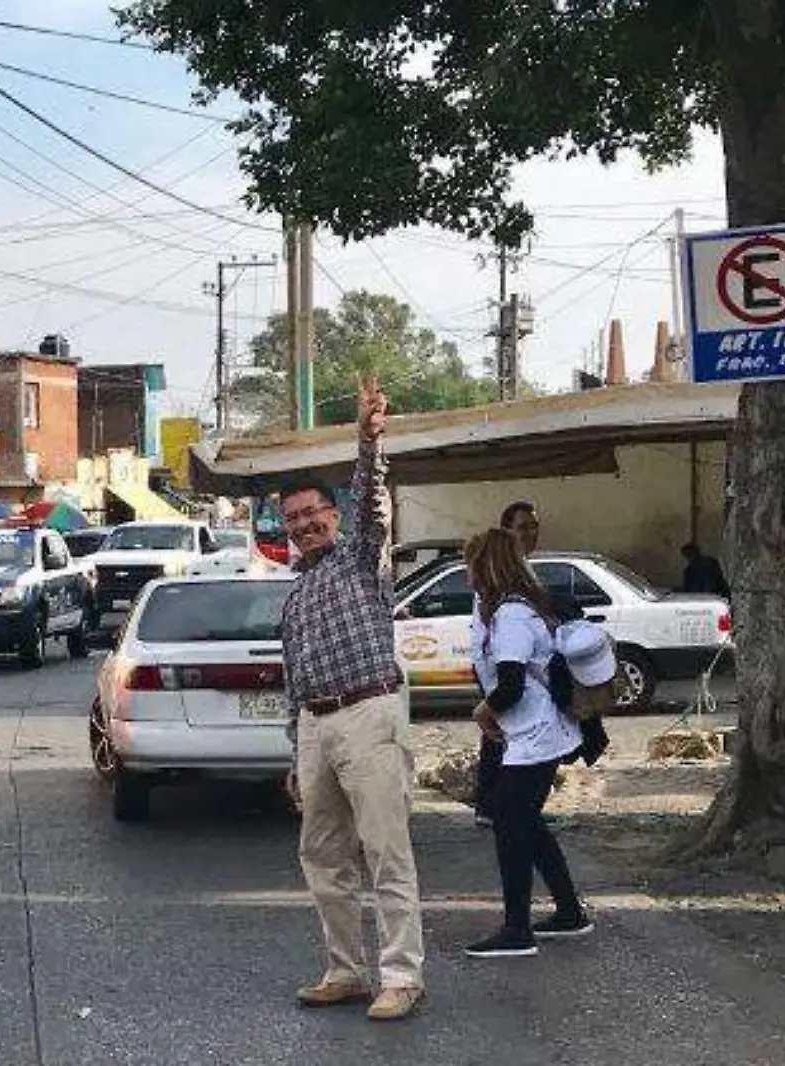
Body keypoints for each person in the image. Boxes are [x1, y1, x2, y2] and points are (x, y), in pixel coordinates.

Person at [279, 375, 424, 1023]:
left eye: (315, 513)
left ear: (333, 517)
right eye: (294, 519)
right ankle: (345, 969)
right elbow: (293, 680)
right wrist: (294, 754)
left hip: (369, 714)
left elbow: (370, 502)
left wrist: (367, 438)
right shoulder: (294, 596)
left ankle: (402, 976)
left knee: (385, 850)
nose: (306, 524)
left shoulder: (361, 560)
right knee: (322, 855)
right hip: (316, 725)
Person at [464, 528, 594, 958]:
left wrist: (482, 711)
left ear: (486, 567)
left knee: (509, 821)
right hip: (535, 733)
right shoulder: (518, 606)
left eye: (471, 566)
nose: (468, 575)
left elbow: (512, 683)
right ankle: (569, 912)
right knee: (526, 821)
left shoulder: (513, 615)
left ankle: (517, 928)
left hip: (535, 735)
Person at [475, 501, 541, 828]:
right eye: (523, 527)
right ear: (508, 533)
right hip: (504, 671)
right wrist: (493, 691)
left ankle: (499, 808)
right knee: (500, 739)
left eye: (533, 526)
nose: (530, 533)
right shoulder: (499, 579)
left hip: (517, 673)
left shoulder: (525, 570)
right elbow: (487, 637)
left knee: (502, 739)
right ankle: (494, 807)